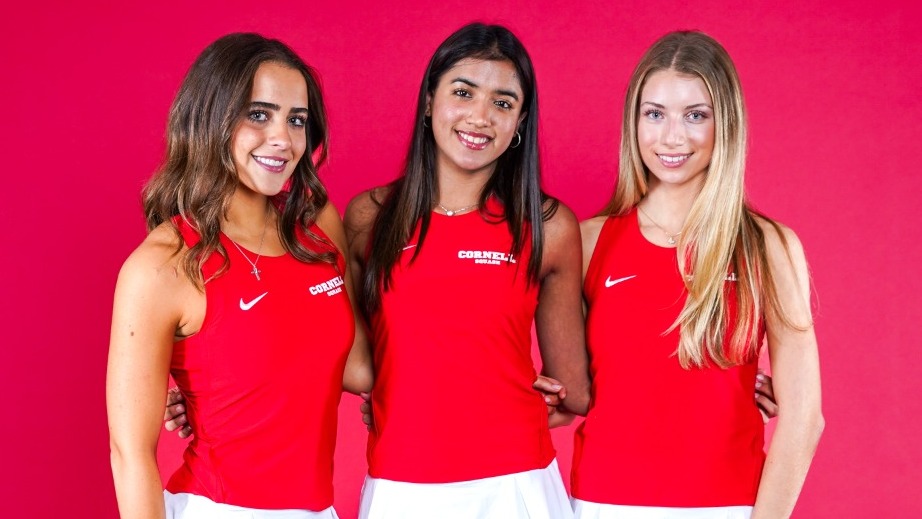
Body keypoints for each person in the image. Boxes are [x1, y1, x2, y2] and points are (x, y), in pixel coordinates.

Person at [106, 33, 371, 519]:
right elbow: (130, 455)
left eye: (296, 120)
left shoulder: (317, 226)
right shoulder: (163, 265)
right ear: (212, 118)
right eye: (259, 114)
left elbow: (358, 368)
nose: (283, 139)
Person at [343, 22, 591, 519]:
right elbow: (350, 360)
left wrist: (527, 396)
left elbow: (575, 391)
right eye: (463, 92)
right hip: (401, 486)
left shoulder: (548, 226)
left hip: (516, 485)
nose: (480, 116)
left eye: (503, 102)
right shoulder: (368, 217)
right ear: (429, 101)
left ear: (520, 122)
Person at [571, 31, 823, 519]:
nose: (672, 137)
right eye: (654, 114)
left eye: (695, 115)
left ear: (725, 123)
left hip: (726, 506)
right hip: (602, 502)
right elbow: (571, 388)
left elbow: (804, 420)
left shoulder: (767, 245)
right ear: (633, 120)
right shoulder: (587, 242)